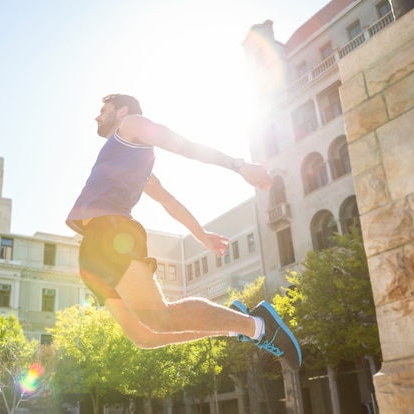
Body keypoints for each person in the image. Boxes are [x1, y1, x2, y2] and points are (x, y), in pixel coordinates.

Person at [66, 94, 301, 371]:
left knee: (158, 318)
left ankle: (260, 326)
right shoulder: (129, 160)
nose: (97, 116)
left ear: (122, 111)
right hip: (91, 251)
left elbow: (183, 146)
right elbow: (169, 202)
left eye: (103, 110)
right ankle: (237, 322)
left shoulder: (131, 125)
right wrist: (202, 235)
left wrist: (239, 166)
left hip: (112, 234)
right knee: (146, 337)